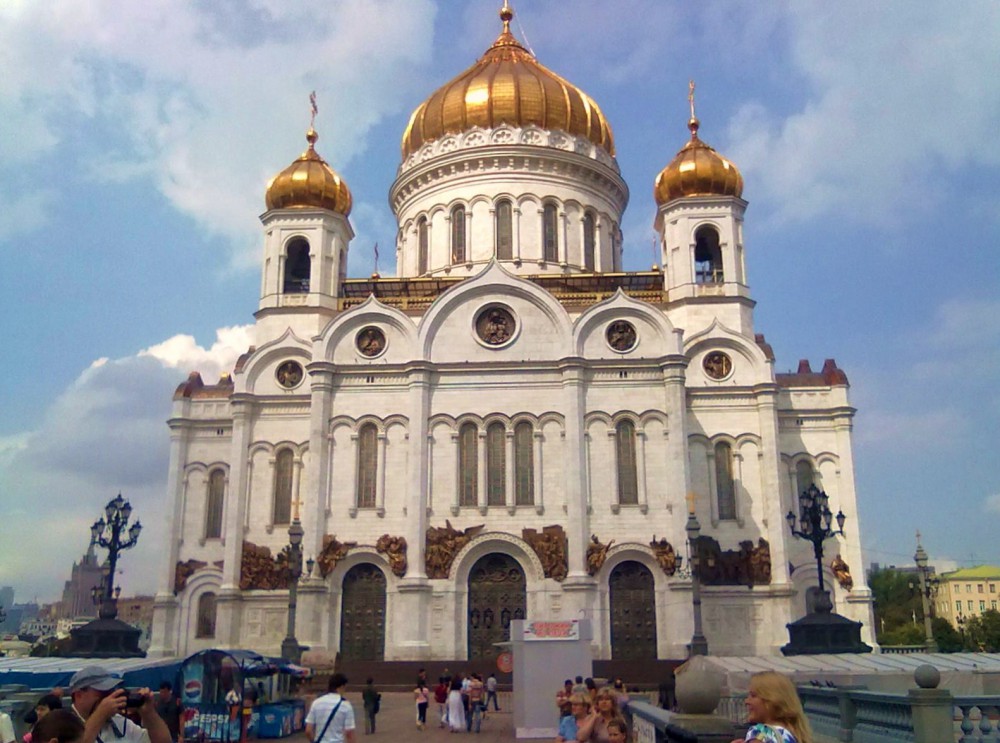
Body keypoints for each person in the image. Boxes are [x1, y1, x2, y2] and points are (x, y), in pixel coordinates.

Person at [68, 665, 172, 743]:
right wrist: (100, 714)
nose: (109, 696)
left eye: (111, 691)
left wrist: (149, 713)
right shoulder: (63, 722)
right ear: (78, 695)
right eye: (102, 692)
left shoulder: (119, 722)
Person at [731, 671, 812, 743]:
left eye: (753, 695)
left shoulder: (761, 732)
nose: (746, 701)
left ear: (772, 700)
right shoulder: (793, 734)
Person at [305, 673, 356, 743]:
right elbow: (349, 733)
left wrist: (313, 741)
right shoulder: (346, 705)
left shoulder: (316, 703)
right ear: (341, 687)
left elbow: (308, 730)